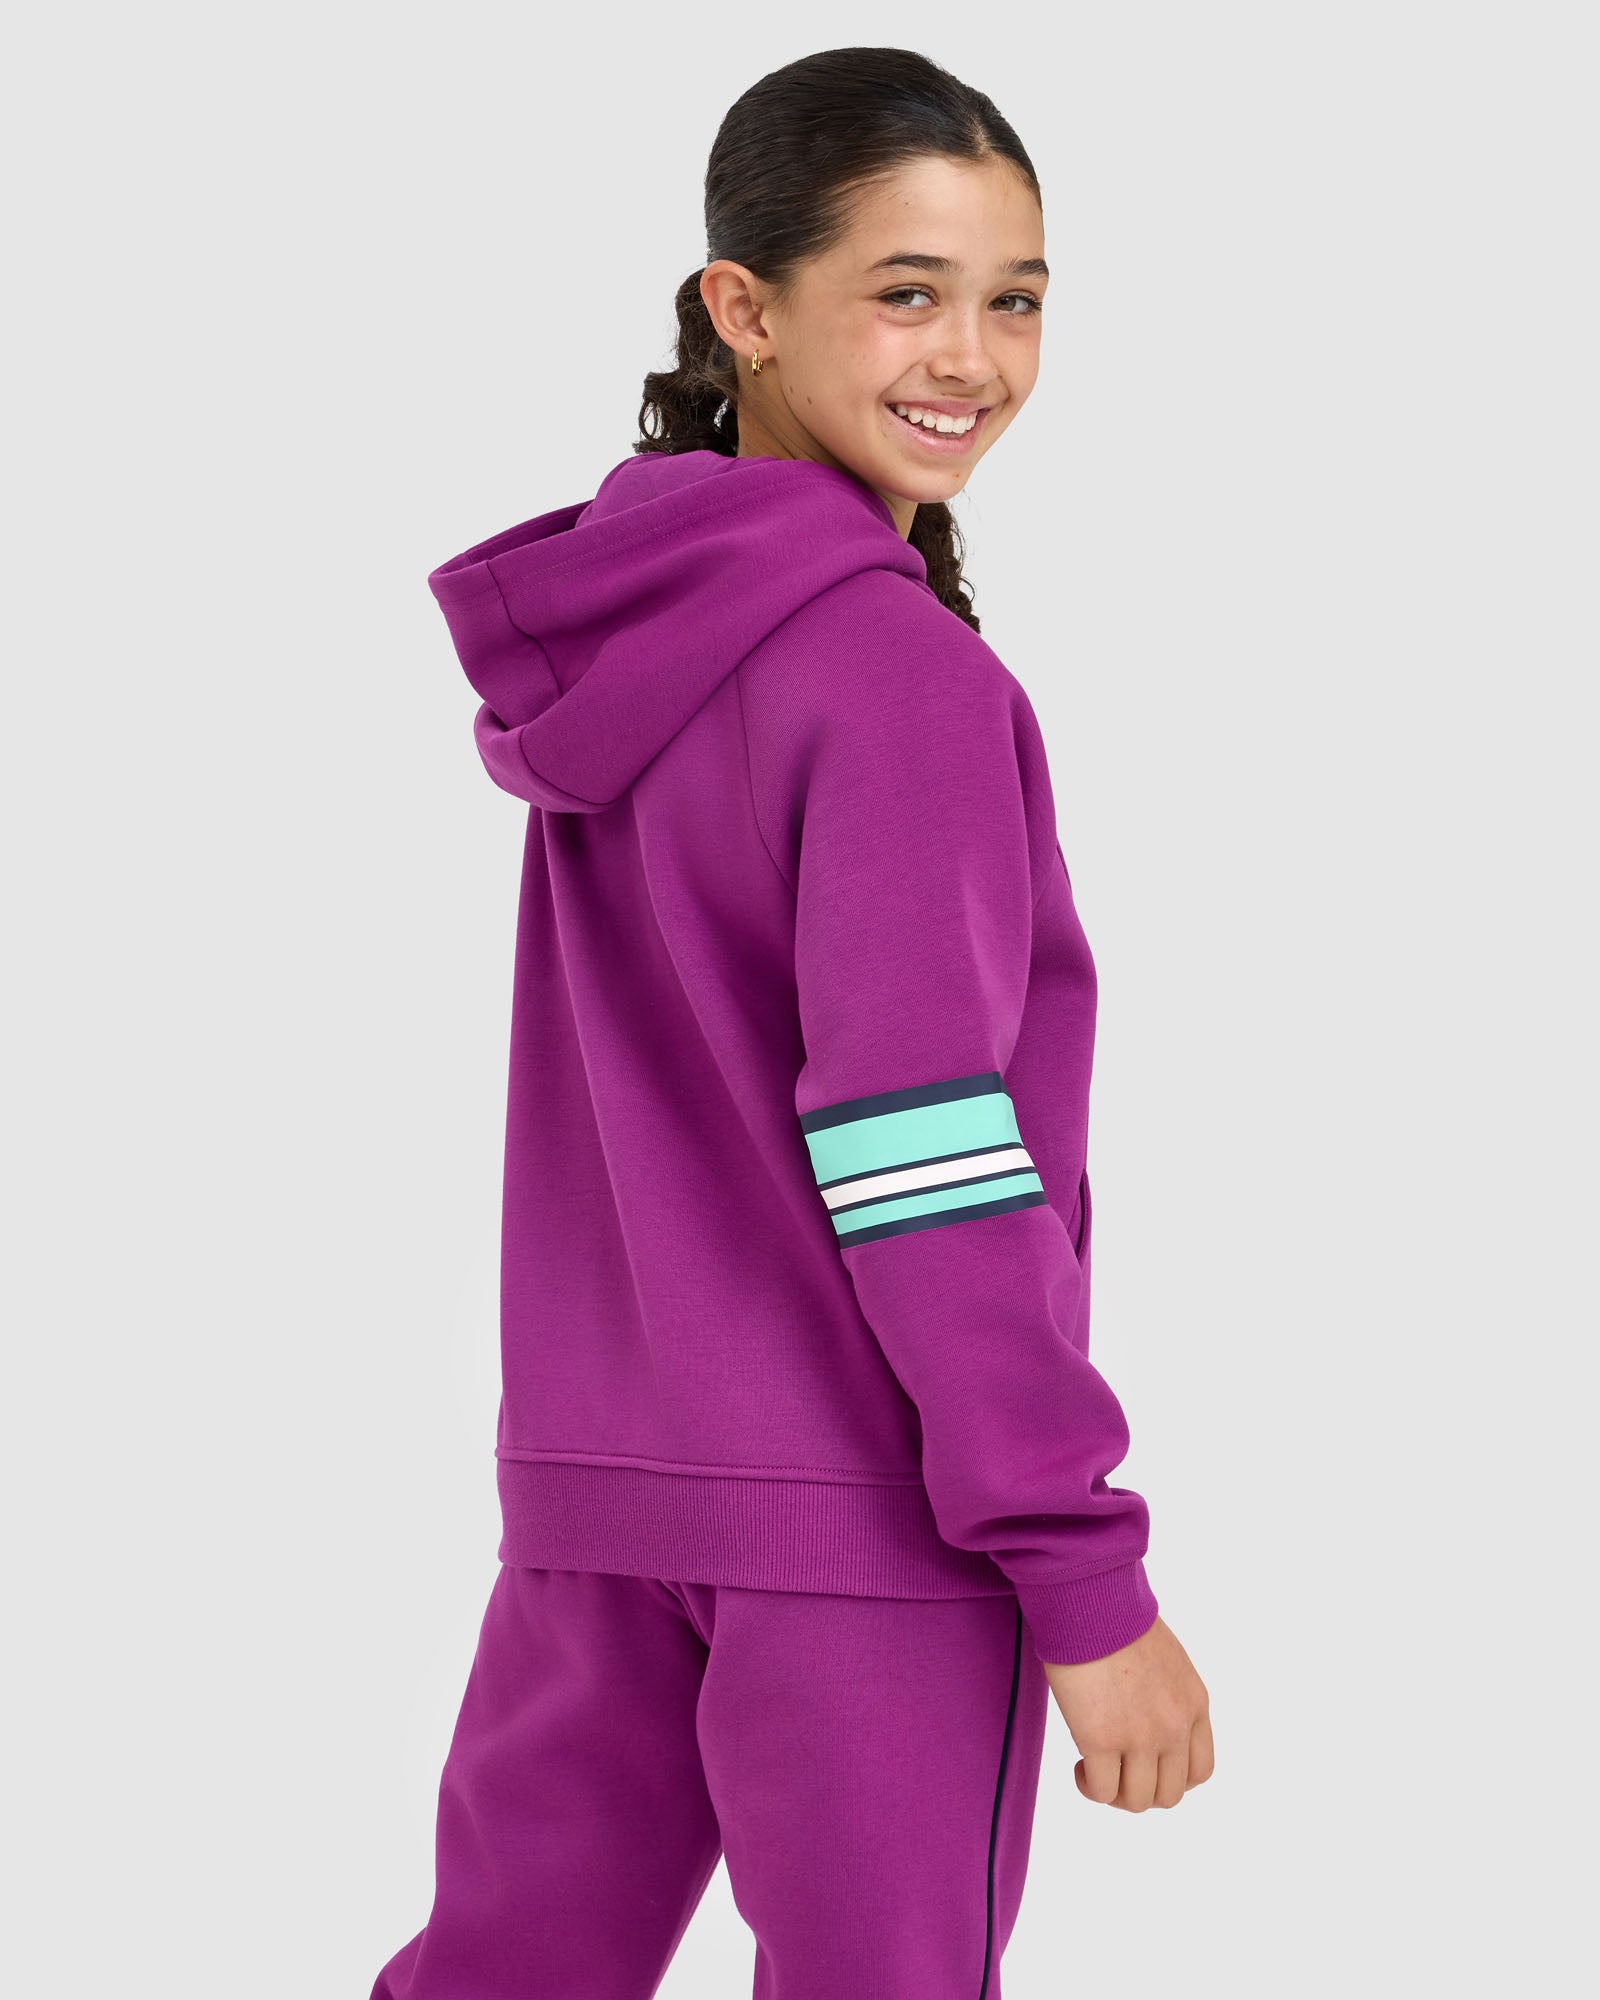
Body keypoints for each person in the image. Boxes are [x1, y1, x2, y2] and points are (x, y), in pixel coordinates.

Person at [370, 44, 1213, 2000]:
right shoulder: (892, 679)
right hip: (861, 1530)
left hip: (595, 1500)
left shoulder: (627, 650)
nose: (972, 359)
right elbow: (924, 1154)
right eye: (907, 292)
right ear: (741, 310)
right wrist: (1080, 1570)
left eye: (1015, 299)